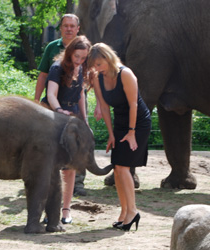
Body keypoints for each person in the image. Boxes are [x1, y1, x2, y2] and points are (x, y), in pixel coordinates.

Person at [87, 43, 151, 231]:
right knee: (117, 169)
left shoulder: (126, 74)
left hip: (137, 123)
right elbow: (105, 107)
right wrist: (111, 134)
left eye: (99, 64)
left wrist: (131, 133)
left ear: (108, 58)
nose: (96, 69)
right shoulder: (98, 78)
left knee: (123, 167)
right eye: (94, 65)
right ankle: (124, 212)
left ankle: (133, 211)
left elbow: (134, 105)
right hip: (120, 123)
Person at [34, 13, 88, 197]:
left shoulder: (84, 47)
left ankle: (77, 184)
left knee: (79, 141)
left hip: (75, 97)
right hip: (55, 100)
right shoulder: (52, 48)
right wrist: (36, 101)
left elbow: (89, 78)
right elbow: (43, 75)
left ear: (77, 28)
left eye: (72, 26)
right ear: (61, 28)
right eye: (65, 26)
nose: (69, 29)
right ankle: (49, 182)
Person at [41, 35, 91, 224]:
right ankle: (49, 211)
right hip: (55, 117)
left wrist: (84, 121)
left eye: (84, 58)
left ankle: (65, 210)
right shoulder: (57, 67)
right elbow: (51, 94)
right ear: (70, 52)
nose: (79, 61)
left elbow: (80, 95)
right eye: (77, 56)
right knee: (52, 168)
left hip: (74, 118)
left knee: (70, 168)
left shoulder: (82, 67)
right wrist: (60, 111)